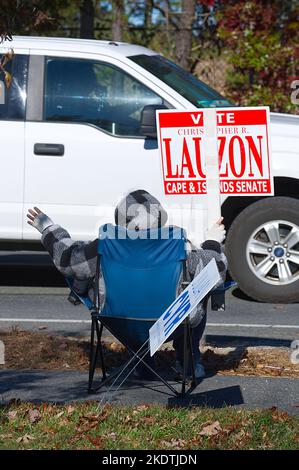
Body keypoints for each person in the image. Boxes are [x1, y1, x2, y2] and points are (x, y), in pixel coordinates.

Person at [27, 189, 227, 378]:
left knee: (86, 273)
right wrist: (212, 241)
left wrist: (48, 228)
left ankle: (143, 363)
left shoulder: (105, 245)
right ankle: (189, 364)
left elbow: (68, 261)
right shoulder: (178, 245)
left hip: (118, 320)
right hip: (171, 324)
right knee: (199, 288)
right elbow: (216, 269)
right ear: (159, 218)